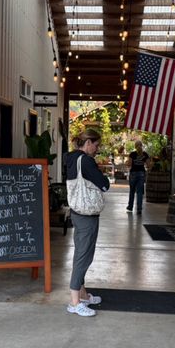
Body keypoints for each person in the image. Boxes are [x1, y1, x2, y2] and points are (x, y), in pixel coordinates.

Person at [65, 128, 110, 317]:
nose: (97, 149)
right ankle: (75, 302)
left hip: (77, 212)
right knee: (83, 256)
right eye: (96, 145)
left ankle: (82, 295)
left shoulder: (71, 158)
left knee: (82, 253)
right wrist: (103, 178)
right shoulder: (86, 161)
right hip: (87, 215)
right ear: (88, 143)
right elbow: (104, 184)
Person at [126, 140, 151, 214]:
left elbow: (129, 164)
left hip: (133, 173)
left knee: (132, 191)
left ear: (135, 146)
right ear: (141, 146)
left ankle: (130, 207)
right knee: (140, 192)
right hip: (141, 174)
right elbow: (148, 165)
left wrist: (126, 162)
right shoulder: (145, 154)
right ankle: (139, 209)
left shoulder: (132, 154)